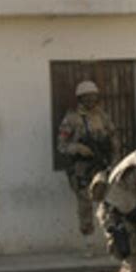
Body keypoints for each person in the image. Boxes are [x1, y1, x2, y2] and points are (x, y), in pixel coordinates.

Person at [57, 80, 120, 255]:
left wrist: (115, 160)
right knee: (85, 205)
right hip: (81, 168)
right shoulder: (71, 119)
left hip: (102, 165)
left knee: (108, 202)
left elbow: (114, 138)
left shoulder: (102, 116)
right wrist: (78, 148)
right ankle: (89, 243)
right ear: (80, 98)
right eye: (87, 97)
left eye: (94, 97)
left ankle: (112, 240)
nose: (91, 100)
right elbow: (61, 145)